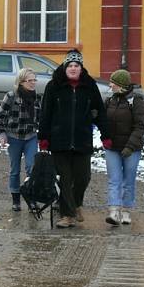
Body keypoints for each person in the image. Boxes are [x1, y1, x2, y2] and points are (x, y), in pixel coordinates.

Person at [38, 50, 111, 228]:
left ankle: (76, 204)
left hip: (82, 139)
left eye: (76, 65)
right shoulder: (54, 86)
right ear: (64, 67)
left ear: (81, 68)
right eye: (69, 65)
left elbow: (100, 112)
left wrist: (106, 135)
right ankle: (67, 215)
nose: (72, 68)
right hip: (59, 140)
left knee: (83, 177)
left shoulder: (89, 85)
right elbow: (45, 113)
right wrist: (44, 137)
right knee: (64, 179)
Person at [103, 69, 144, 225]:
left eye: (112, 82)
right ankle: (114, 211)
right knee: (114, 180)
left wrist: (130, 146)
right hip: (112, 148)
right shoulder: (110, 99)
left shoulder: (136, 101)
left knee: (128, 181)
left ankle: (127, 210)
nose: (110, 85)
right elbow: (104, 122)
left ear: (121, 85)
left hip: (131, 149)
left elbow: (140, 126)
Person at [0, 68, 41, 211]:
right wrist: (2, 135)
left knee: (31, 167)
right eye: (30, 80)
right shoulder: (11, 96)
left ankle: (31, 198)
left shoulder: (37, 98)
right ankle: (16, 200)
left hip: (31, 137)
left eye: (34, 80)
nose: (33, 83)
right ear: (21, 82)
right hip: (14, 137)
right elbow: (1, 117)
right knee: (15, 169)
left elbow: (41, 118)